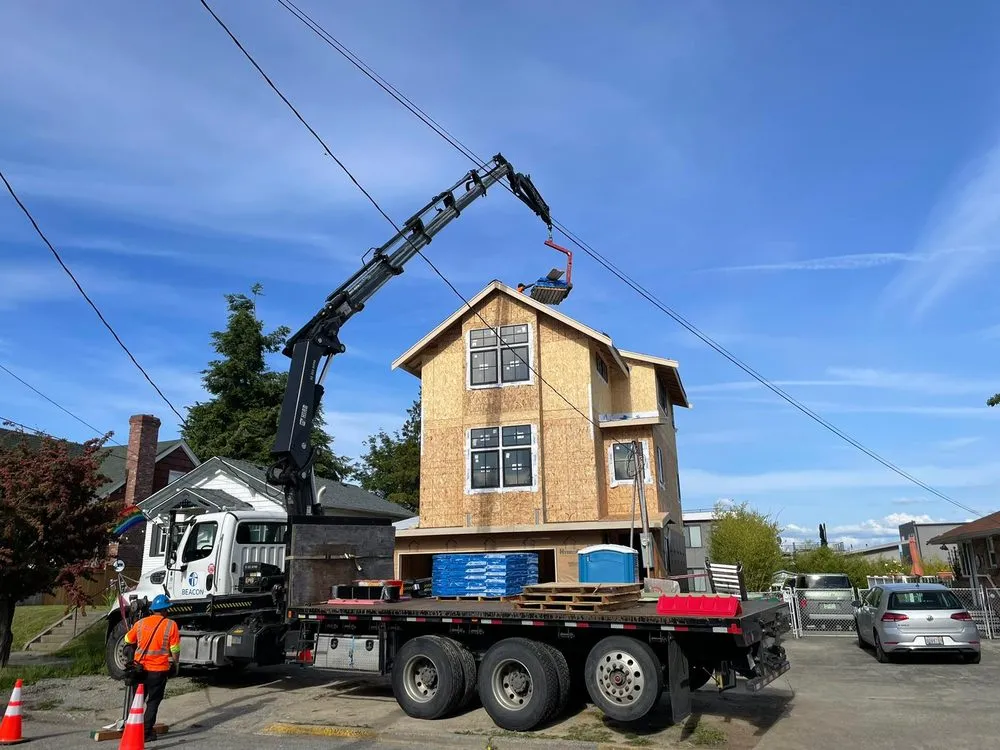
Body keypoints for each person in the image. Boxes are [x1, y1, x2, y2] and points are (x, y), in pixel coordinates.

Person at [123, 594, 180, 742]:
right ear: (166, 610)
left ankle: (132, 728)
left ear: (153, 609)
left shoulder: (141, 623)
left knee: (137, 702)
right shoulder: (171, 625)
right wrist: (175, 663)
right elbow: (174, 648)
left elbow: (128, 639)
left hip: (139, 670)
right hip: (158, 671)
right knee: (153, 701)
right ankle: (146, 733)